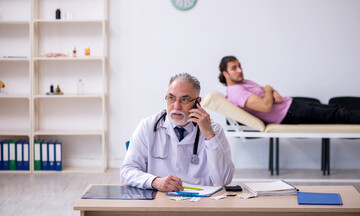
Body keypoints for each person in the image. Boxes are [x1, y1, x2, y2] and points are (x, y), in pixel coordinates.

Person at [121, 73, 235, 192]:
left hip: (199, 202)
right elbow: (127, 171)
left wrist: (209, 136)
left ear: (197, 102)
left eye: (184, 99)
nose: (176, 106)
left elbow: (223, 180)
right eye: (171, 98)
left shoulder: (214, 130)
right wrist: (155, 181)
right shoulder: (148, 126)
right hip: (159, 199)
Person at [218, 56, 360, 124]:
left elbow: (266, 92)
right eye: (234, 68)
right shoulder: (235, 92)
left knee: (338, 110)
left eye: (239, 66)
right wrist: (268, 88)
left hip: (291, 105)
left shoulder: (243, 83)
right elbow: (266, 106)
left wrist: (273, 91)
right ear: (225, 74)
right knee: (339, 113)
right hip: (290, 113)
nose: (240, 70)